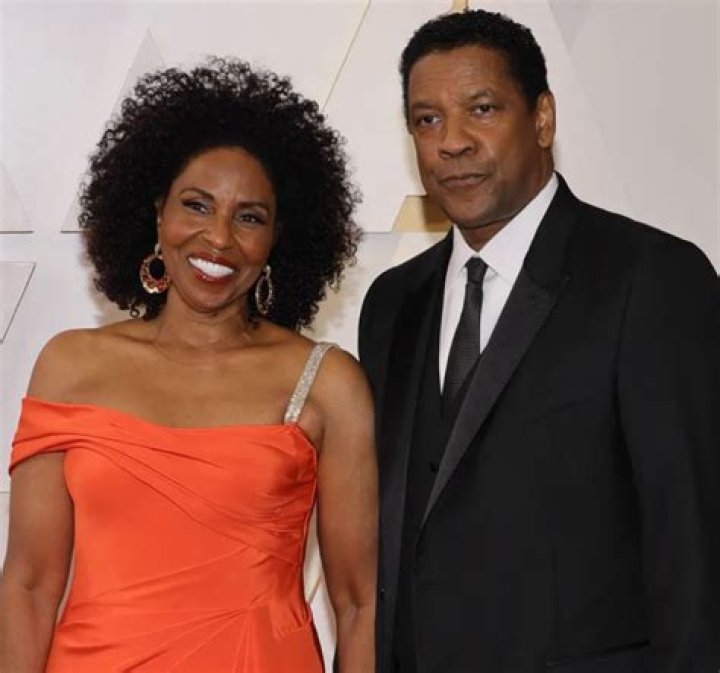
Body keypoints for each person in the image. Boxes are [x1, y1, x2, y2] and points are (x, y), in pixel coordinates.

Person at [359, 9, 720, 673]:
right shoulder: (391, 303)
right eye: (427, 119)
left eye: (482, 109)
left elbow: (695, 543)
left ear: (544, 118)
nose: (452, 142)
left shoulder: (651, 277)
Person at [0, 58, 376, 673]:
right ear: (157, 214)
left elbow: (359, 605)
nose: (218, 238)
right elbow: (29, 586)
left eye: (249, 217)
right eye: (196, 206)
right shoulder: (70, 365)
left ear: (277, 238)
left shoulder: (327, 382)